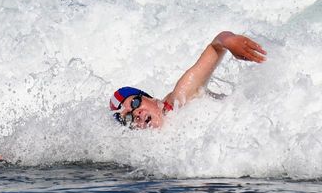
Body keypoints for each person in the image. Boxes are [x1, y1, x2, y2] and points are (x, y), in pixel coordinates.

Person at [110, 31, 267, 129]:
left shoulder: (178, 101)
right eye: (128, 118)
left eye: (135, 103)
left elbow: (216, 45)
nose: (136, 113)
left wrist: (229, 41)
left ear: (149, 98)